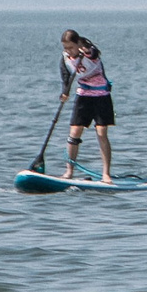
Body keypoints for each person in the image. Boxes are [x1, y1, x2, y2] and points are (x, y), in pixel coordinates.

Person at [59, 29, 117, 180]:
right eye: (65, 48)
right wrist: (65, 92)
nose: (68, 51)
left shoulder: (89, 53)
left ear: (78, 44)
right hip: (83, 95)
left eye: (71, 48)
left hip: (101, 96)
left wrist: (84, 51)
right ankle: (69, 171)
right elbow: (65, 75)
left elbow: (94, 53)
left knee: (101, 132)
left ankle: (106, 174)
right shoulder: (66, 57)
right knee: (74, 133)